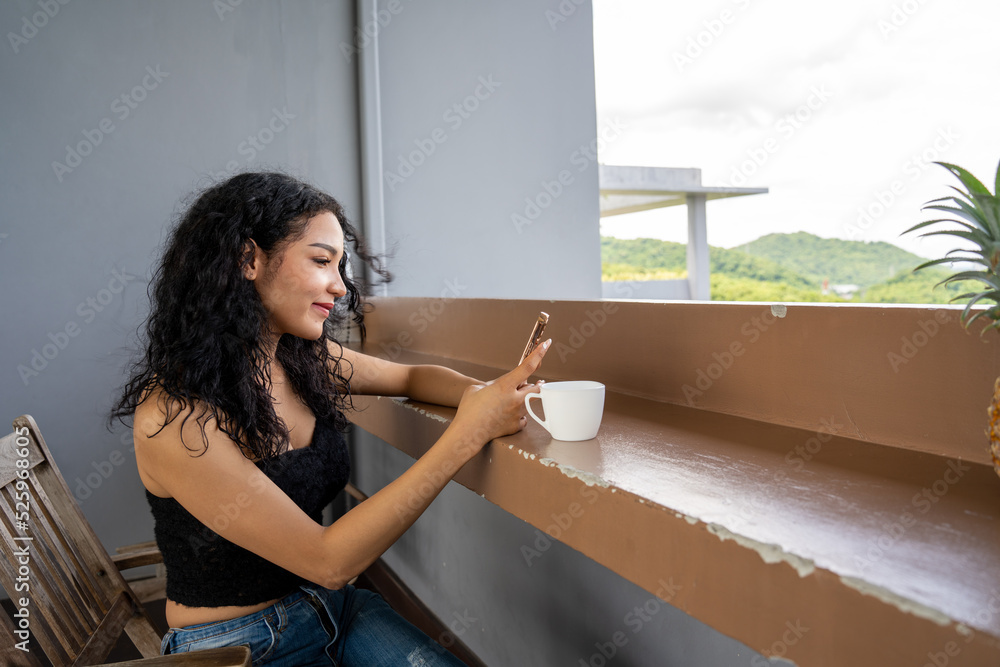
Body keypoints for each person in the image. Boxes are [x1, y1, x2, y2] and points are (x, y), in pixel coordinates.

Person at [111, 172, 549, 665]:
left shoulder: (299, 361)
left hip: (329, 609)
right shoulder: (174, 415)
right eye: (322, 261)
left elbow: (409, 379)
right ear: (248, 260)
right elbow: (328, 560)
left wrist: (486, 395)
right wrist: (469, 432)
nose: (340, 286)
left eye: (340, 265)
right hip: (237, 648)